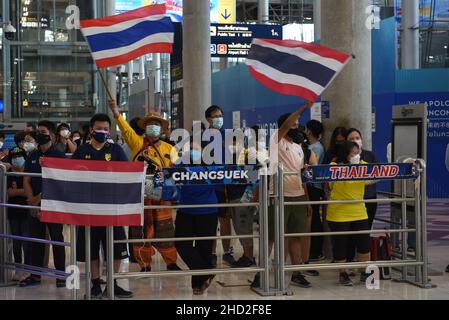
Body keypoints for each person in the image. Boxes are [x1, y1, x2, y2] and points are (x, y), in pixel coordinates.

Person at [108, 100, 180, 272]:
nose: (153, 127)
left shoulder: (170, 148)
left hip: (163, 197)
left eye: (156, 124)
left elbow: (177, 170)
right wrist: (116, 112)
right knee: (140, 231)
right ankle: (144, 264)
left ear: (162, 129)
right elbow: (125, 129)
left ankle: (171, 262)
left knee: (166, 230)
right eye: (150, 124)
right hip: (141, 196)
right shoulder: (137, 143)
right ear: (145, 127)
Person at [253, 102, 314, 289]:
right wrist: (303, 108)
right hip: (277, 196)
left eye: (298, 126)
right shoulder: (275, 141)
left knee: (296, 237)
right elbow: (287, 124)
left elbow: (302, 175)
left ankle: (296, 273)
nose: (297, 128)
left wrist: (306, 200)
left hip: (297, 196)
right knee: (271, 236)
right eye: (294, 125)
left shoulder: (298, 148)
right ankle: (260, 273)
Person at [73, 113, 133, 299]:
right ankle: (95, 285)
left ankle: (112, 284)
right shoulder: (82, 151)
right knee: (91, 250)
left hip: (111, 209)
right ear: (91, 130)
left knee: (115, 249)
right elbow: (69, 173)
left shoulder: (115, 150)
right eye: (99, 128)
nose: (102, 132)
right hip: (88, 210)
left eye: (106, 129)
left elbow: (127, 173)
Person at [20, 120, 66, 288]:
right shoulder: (32, 155)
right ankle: (35, 275)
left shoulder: (59, 155)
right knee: (36, 241)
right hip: (35, 206)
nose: (40, 134)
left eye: (43, 131)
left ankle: (61, 275)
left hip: (53, 205)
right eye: (38, 131)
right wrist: (32, 202)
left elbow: (59, 183)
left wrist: (39, 198)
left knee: (57, 240)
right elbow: (26, 179)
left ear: (52, 135)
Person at [326, 141, 374, 286]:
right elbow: (329, 185)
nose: (356, 155)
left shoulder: (363, 165)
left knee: (363, 243)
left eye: (357, 152)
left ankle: (365, 272)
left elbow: (374, 177)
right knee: (340, 244)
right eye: (352, 153)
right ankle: (343, 273)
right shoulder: (334, 167)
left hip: (359, 211)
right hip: (338, 212)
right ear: (344, 153)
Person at [174, 140, 218, 295]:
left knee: (204, 248)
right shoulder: (180, 165)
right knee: (181, 243)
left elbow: (222, 184)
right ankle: (206, 271)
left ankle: (198, 282)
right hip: (185, 210)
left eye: (196, 149)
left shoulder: (213, 166)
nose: (192, 152)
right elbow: (171, 179)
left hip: (207, 211)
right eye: (190, 149)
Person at [205, 105, 236, 266]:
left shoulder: (230, 136)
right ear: (208, 119)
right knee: (210, 220)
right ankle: (210, 252)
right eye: (215, 116)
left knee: (225, 220)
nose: (219, 118)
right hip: (208, 185)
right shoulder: (201, 138)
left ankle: (227, 251)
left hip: (225, 184)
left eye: (221, 115)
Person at [346, 128, 379, 229]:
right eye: (351, 139)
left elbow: (378, 174)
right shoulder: (343, 157)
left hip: (369, 198)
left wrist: (365, 182)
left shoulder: (370, 155)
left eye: (357, 138)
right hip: (350, 200)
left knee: (365, 230)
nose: (355, 140)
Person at [7, 147, 30, 282]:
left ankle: (27, 269)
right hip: (13, 213)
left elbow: (28, 192)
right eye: (14, 157)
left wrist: (19, 190)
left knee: (27, 242)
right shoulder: (8, 174)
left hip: (27, 212)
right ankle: (18, 268)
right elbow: (10, 193)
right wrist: (24, 190)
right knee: (16, 242)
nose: (17, 159)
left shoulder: (28, 172)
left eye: (19, 156)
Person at [304, 120, 327, 262]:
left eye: (306, 129)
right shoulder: (311, 146)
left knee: (314, 219)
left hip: (314, 187)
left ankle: (316, 250)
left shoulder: (316, 148)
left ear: (310, 131)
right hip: (311, 186)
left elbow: (313, 168)